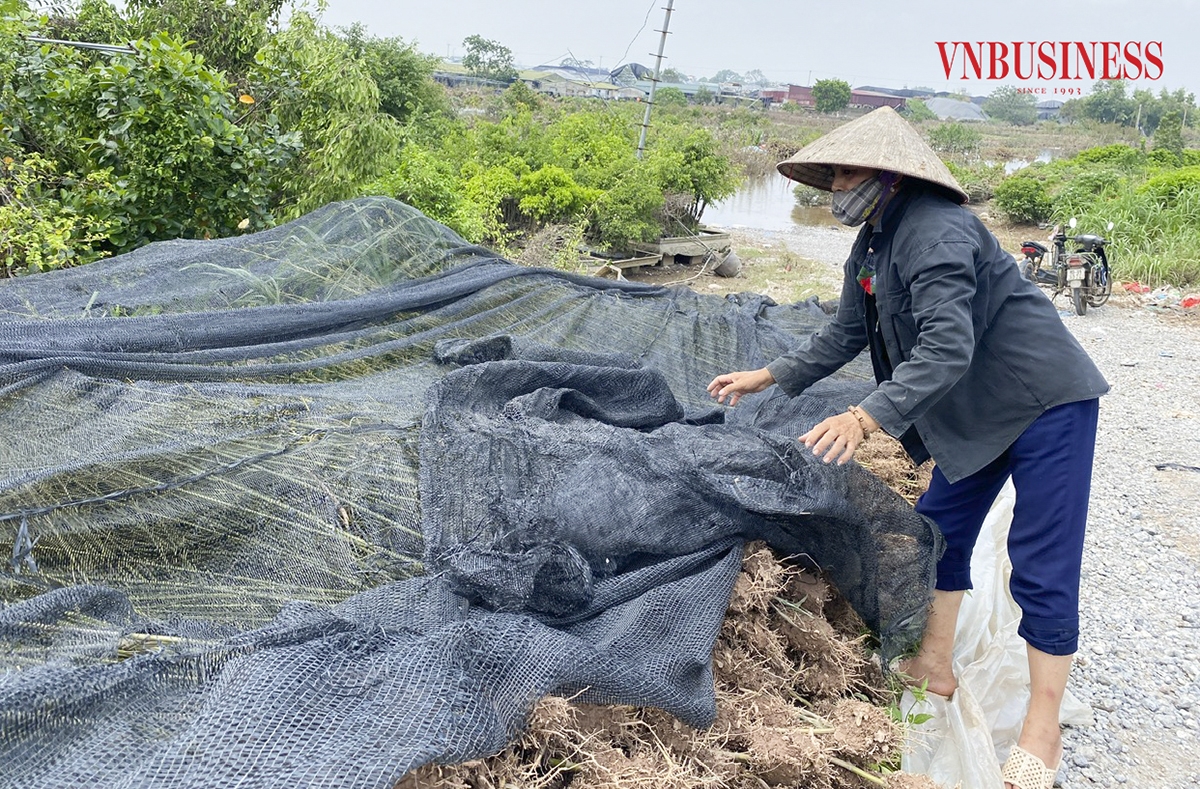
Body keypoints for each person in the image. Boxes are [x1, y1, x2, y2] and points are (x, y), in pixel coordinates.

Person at [706, 106, 1108, 789]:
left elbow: (946, 345)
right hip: (975, 411)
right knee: (937, 530)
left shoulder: (938, 231)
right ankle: (934, 663)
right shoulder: (872, 242)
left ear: (890, 176)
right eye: (833, 176)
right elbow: (844, 333)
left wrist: (864, 418)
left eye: (848, 174)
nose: (837, 187)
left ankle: (1042, 730)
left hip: (1043, 401)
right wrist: (767, 374)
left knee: (1041, 560)